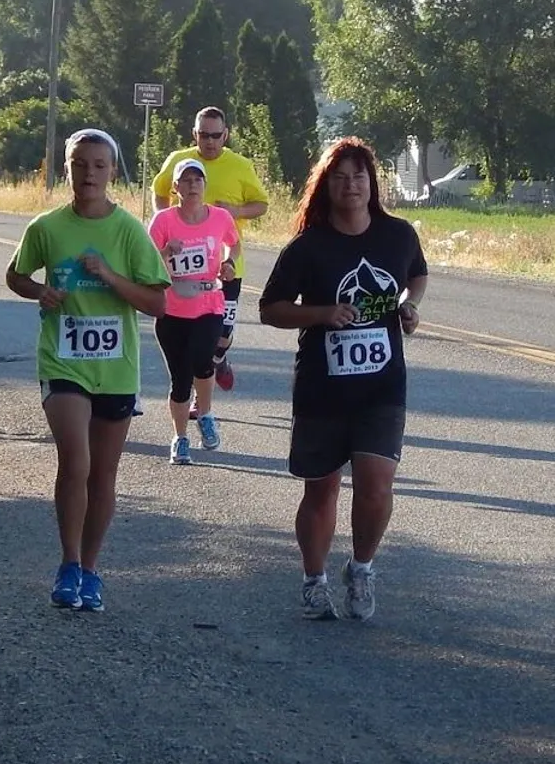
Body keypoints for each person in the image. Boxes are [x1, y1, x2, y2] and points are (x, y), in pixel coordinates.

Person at [258, 137, 427, 622]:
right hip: (322, 388)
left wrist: (408, 307)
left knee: (376, 486)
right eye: (340, 177)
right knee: (322, 489)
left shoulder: (398, 236)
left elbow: (417, 276)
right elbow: (270, 309)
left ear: (372, 184)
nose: (350, 185)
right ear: (325, 186)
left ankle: (362, 567)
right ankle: (314, 580)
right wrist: (322, 313)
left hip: (382, 386)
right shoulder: (308, 247)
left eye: (359, 176)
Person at [6, 130, 168, 613]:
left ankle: (93, 571)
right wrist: (39, 292)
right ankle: (69, 563)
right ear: (67, 168)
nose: (89, 174)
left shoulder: (129, 231)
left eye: (99, 165)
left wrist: (110, 277)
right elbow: (16, 274)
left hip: (115, 370)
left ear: (113, 172)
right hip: (63, 360)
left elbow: (158, 302)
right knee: (75, 462)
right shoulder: (47, 227)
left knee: (103, 475)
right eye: (80, 164)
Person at [151, 106, 268, 403]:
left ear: (226, 135)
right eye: (204, 135)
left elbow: (261, 204)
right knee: (191, 342)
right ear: (195, 134)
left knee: (222, 337)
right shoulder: (179, 161)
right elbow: (159, 190)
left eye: (216, 136)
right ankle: (195, 395)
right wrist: (166, 221)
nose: (210, 142)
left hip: (227, 266)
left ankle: (217, 360)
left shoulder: (240, 165)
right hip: (182, 273)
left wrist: (237, 211)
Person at [147, 157, 240, 464]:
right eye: (185, 181)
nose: (191, 186)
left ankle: (206, 414)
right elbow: (146, 265)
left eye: (197, 180)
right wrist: (165, 252)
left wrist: (228, 263)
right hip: (172, 310)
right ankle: (180, 437)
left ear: (204, 186)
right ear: (175, 188)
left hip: (208, 305)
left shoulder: (220, 217)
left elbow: (234, 244)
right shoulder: (163, 221)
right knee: (180, 379)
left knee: (203, 360)